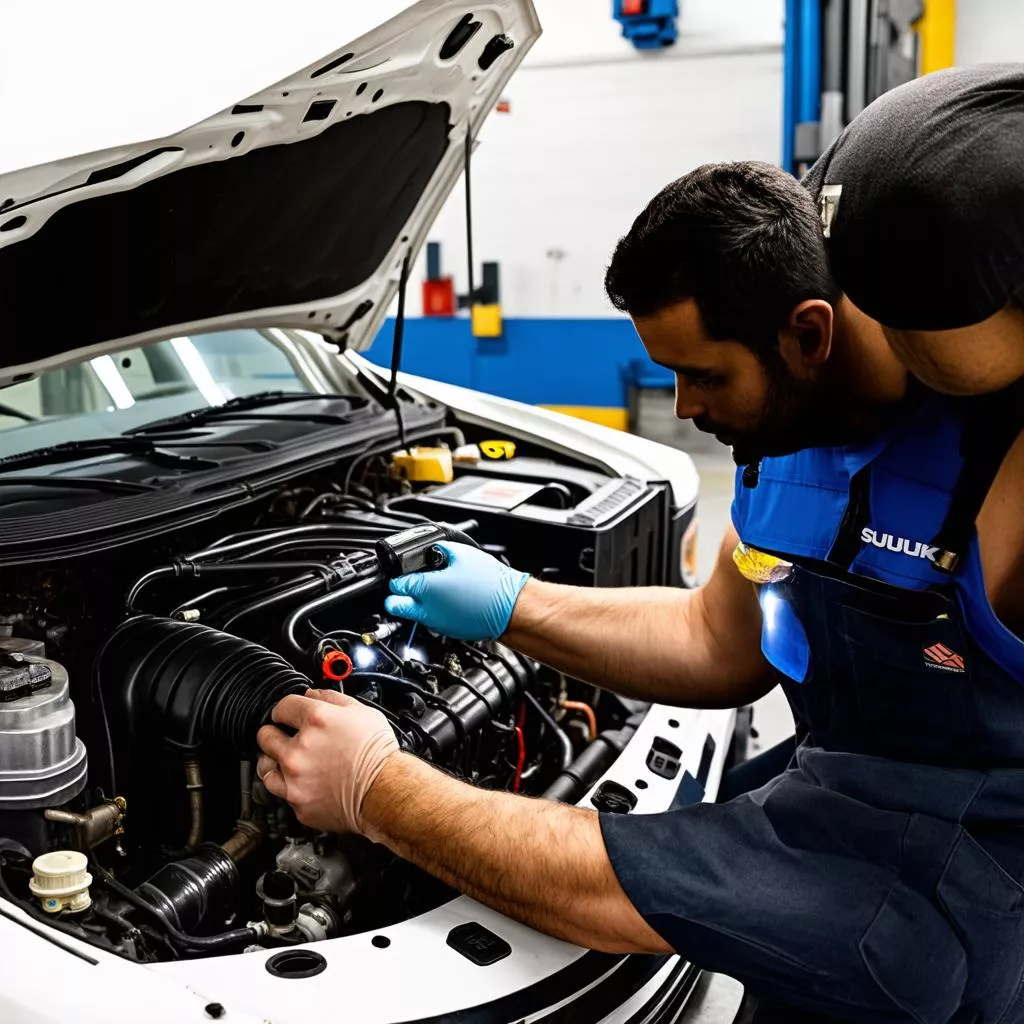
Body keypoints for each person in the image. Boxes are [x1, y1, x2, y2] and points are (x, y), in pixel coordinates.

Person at [256, 66, 1024, 1022]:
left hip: (960, 924)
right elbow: (717, 641)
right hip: (830, 827)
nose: (687, 410)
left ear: (809, 333)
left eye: (702, 377)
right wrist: (512, 604)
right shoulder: (782, 445)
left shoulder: (1001, 465)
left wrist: (376, 787)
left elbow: (605, 890)